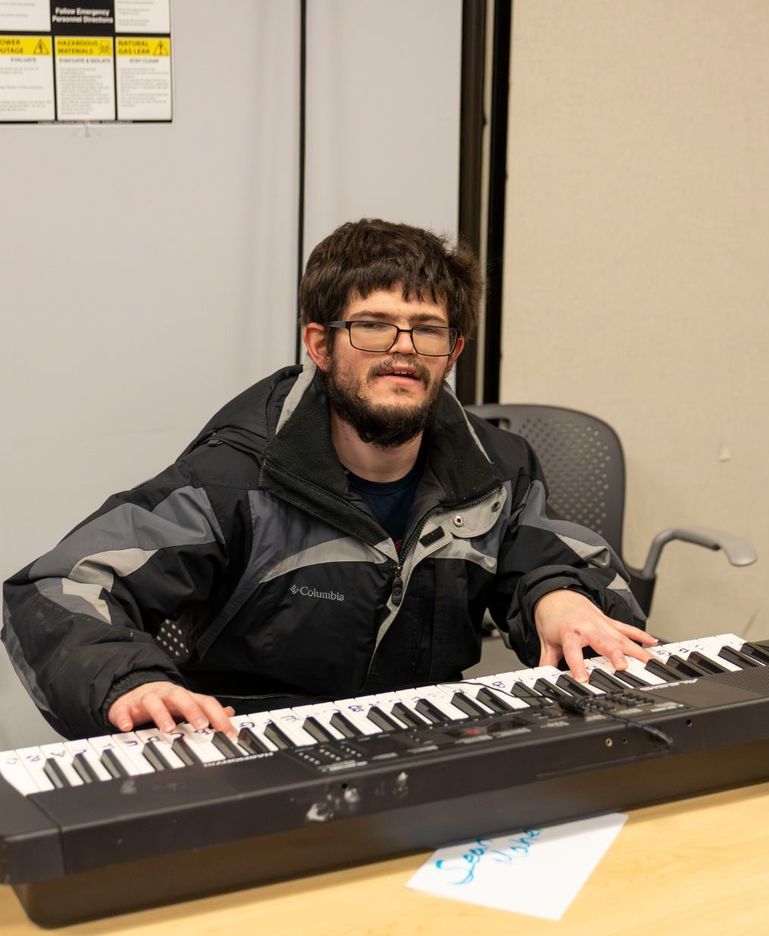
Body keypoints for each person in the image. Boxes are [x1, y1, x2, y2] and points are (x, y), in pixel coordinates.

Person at [2, 219, 653, 741]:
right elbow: (56, 587)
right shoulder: (231, 479)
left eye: (427, 330)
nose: (402, 347)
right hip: (254, 750)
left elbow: (545, 555)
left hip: (430, 742)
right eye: (372, 326)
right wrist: (130, 681)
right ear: (319, 344)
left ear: (452, 353)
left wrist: (559, 597)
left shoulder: (498, 467)